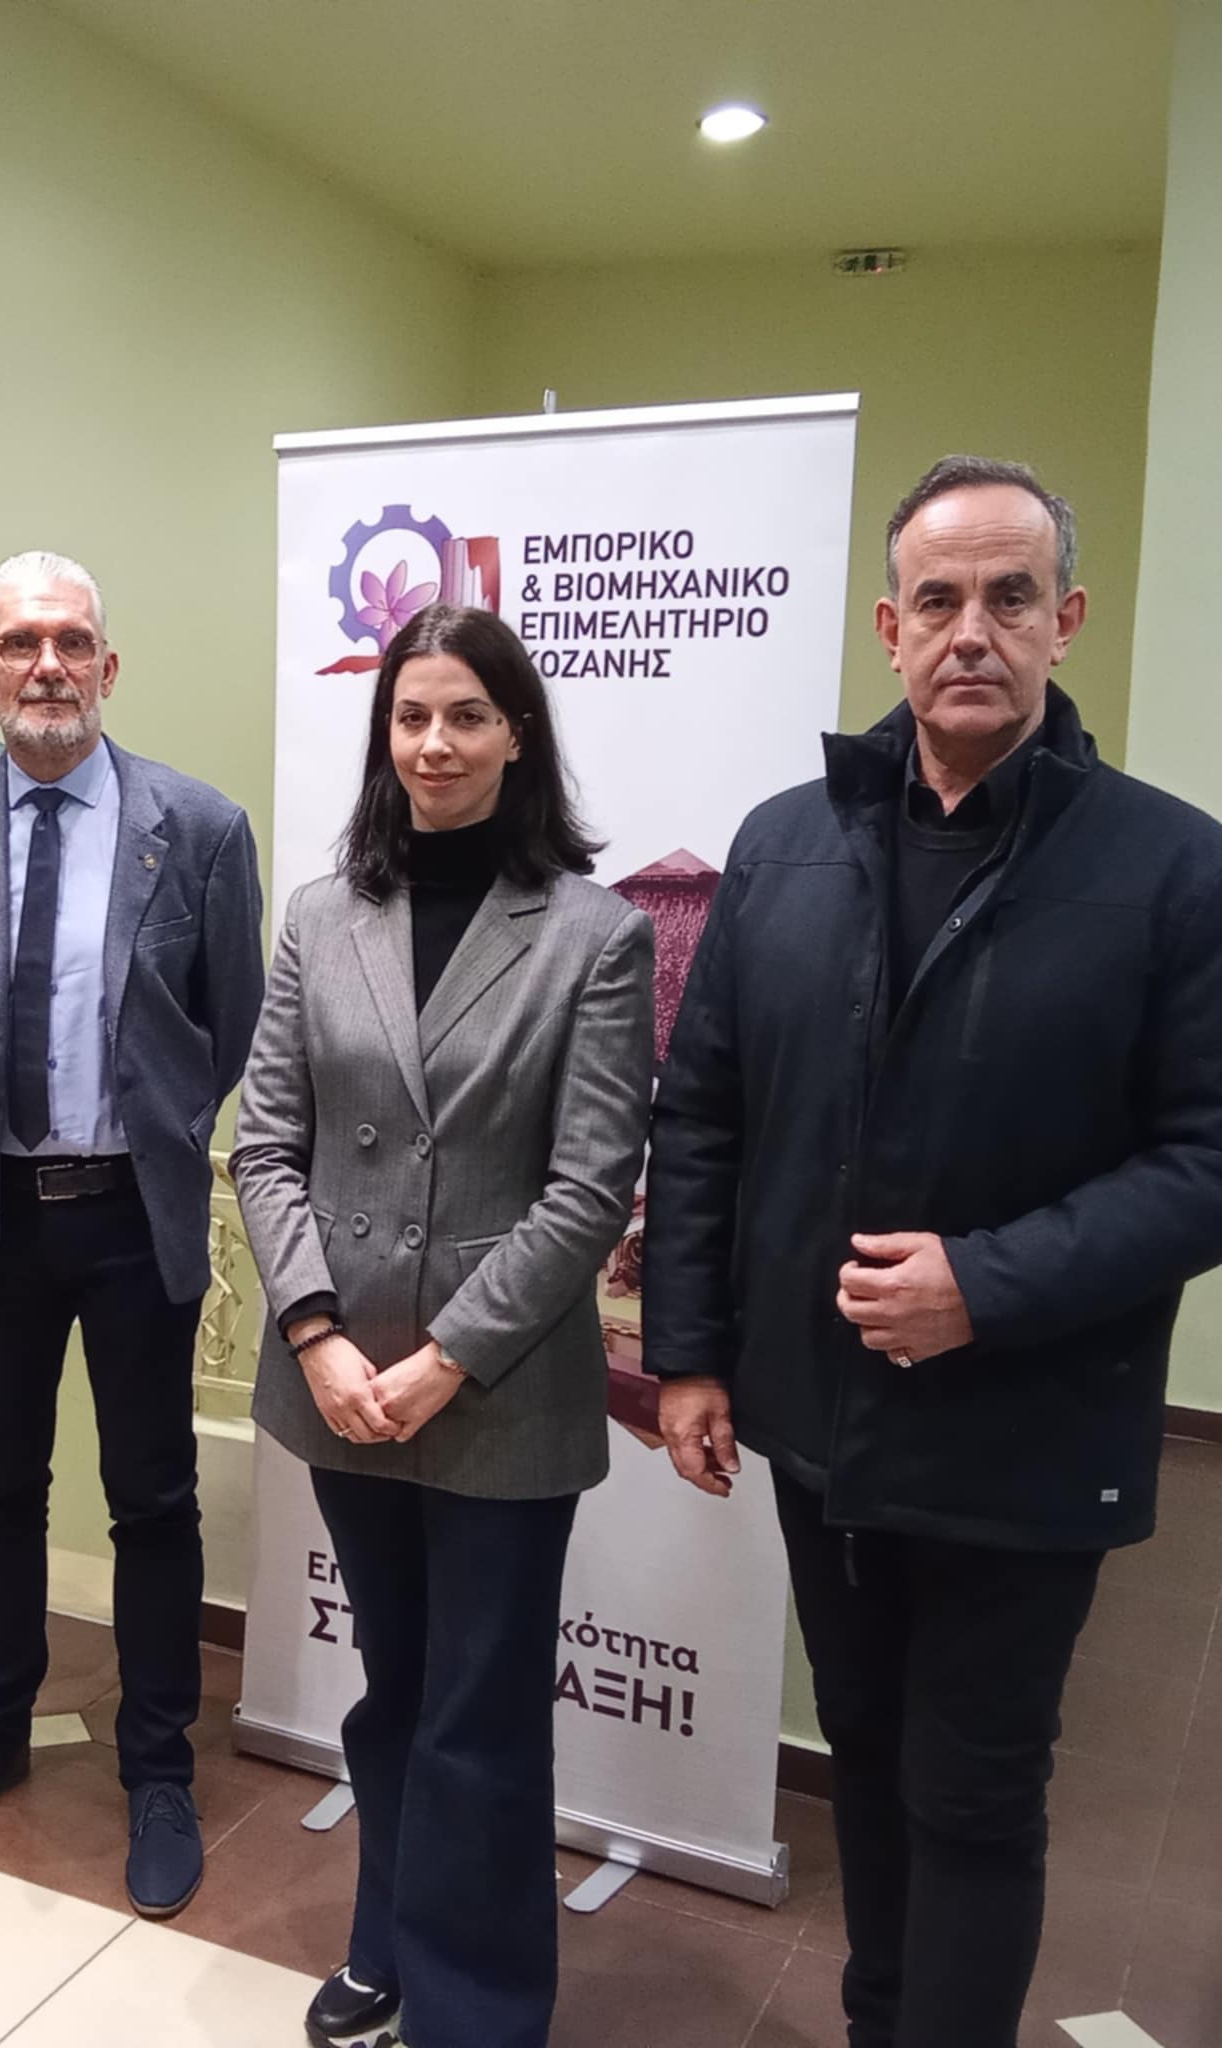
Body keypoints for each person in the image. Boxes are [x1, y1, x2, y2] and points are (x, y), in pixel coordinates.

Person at [644, 456, 1222, 2048]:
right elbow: (703, 1117)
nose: (975, 630)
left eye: (1011, 596)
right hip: (821, 1430)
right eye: (941, 599)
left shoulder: (1172, 868)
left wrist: (987, 1283)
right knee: (871, 1761)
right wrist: (689, 1354)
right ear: (891, 627)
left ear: (1065, 620)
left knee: (973, 1794)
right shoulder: (785, 845)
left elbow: (1207, 1161)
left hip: (1027, 1439)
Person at [232, 604, 655, 2048]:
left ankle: (478, 2009)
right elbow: (265, 1143)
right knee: (392, 1686)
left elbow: (589, 1188)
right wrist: (315, 1335)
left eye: (465, 715)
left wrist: (445, 1357)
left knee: (480, 1708)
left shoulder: (593, 934)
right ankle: (389, 1938)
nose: (434, 743)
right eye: (410, 716)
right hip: (342, 1380)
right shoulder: (319, 916)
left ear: (515, 733)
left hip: (498, 1389)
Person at [0, 550, 265, 1917]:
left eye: (70, 642)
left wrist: (146, 1125)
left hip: (132, 1214)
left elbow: (228, 1023)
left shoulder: (199, 824)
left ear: (108, 666)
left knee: (151, 1497)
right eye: (19, 643)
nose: (45, 666)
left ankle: (156, 1765)